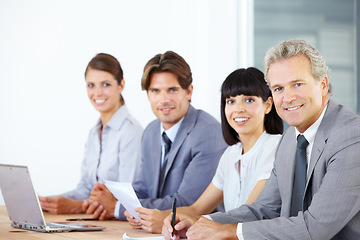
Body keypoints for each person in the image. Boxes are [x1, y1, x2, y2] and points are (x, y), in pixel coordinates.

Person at [163, 39, 360, 240]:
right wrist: (203, 224)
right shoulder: (290, 140)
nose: (288, 97)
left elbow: (315, 228)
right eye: (278, 89)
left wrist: (227, 232)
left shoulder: (352, 138)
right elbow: (264, 209)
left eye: (297, 84)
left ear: (323, 85)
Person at [126, 67, 283, 233]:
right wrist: (159, 217)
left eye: (249, 100)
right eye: (231, 101)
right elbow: (196, 209)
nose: (239, 109)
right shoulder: (231, 154)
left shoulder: (276, 147)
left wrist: (188, 222)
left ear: (267, 105)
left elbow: (249, 213)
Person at [83, 50, 228, 223]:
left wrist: (116, 207)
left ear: (189, 91)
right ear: (148, 95)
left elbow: (186, 203)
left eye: (172, 90)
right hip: (153, 231)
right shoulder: (151, 132)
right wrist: (109, 197)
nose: (164, 99)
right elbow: (143, 190)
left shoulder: (208, 133)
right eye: (155, 91)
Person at [39, 53, 143, 214]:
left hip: (118, 225)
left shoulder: (131, 131)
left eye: (106, 84)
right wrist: (49, 201)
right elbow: (85, 188)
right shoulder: (94, 133)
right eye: (91, 85)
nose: (98, 93)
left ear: (121, 85)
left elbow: (127, 198)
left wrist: (77, 206)